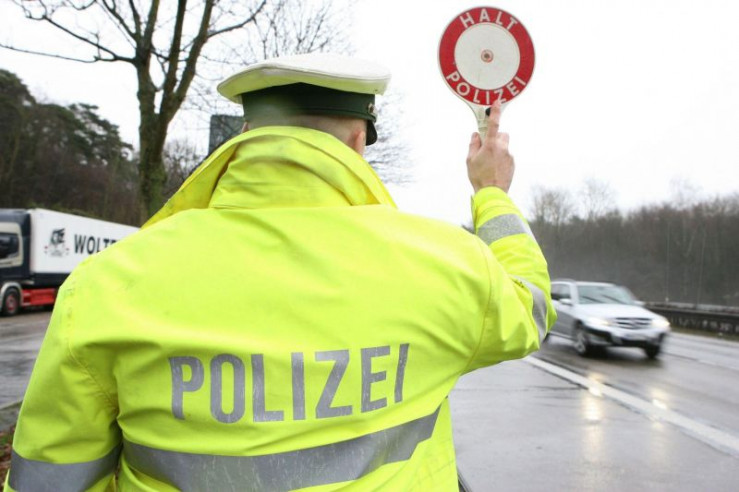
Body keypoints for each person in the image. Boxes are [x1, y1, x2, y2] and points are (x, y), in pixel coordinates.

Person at [5, 53, 555, 491]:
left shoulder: (105, 284)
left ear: (247, 132)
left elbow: (50, 479)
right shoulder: (442, 263)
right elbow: (529, 306)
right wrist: (491, 192)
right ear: (358, 140)